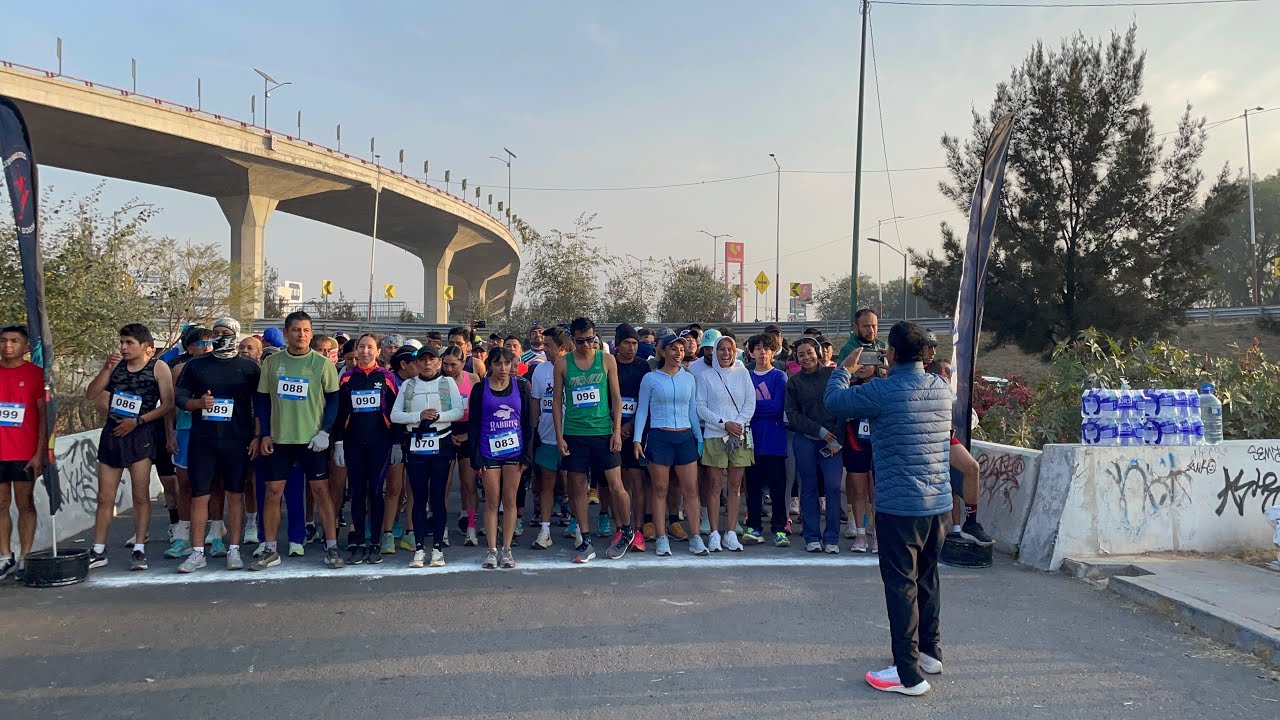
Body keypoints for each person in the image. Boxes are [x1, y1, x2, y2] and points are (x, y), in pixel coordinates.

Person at [824, 321, 953, 697]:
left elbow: (834, 402)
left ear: (891, 353)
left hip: (901, 505)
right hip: (939, 504)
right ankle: (930, 652)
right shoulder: (941, 387)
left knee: (901, 587)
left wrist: (844, 371)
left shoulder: (882, 390)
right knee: (927, 579)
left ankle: (908, 673)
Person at [252, 311, 343, 571]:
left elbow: (334, 400)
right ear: (286, 332)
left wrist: (325, 431)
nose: (300, 335)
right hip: (280, 440)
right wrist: (265, 433)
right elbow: (261, 399)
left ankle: (332, 545)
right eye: (295, 330)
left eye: (305, 330)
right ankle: (270, 549)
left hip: (312, 440)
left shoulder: (322, 364)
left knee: (321, 492)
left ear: (311, 333)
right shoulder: (272, 363)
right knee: (272, 493)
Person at [173, 319, 261, 572]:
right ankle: (197, 552)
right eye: (217, 333)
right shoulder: (196, 365)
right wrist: (197, 404)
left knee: (235, 494)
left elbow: (261, 405)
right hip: (204, 440)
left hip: (237, 439)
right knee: (200, 495)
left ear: (236, 336)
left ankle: (234, 549)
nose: (221, 337)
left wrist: (257, 435)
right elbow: (179, 396)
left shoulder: (249, 368)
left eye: (227, 333)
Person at [86, 323, 175, 570]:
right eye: (122, 343)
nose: (123, 348)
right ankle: (98, 549)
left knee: (140, 494)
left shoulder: (158, 367)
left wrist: (138, 421)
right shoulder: (115, 366)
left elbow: (168, 404)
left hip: (141, 433)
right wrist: (106, 369)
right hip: (113, 433)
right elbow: (91, 394)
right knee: (105, 496)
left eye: (129, 343)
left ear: (146, 347)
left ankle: (139, 548)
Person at [552, 317, 635, 563]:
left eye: (591, 339)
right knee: (577, 487)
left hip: (603, 432)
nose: (586, 345)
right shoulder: (562, 364)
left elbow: (617, 398)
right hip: (575, 433)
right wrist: (559, 436)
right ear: (572, 339)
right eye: (580, 341)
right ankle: (585, 539)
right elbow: (557, 401)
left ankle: (628, 530)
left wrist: (617, 430)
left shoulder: (606, 360)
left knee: (615, 485)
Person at [389, 346, 463, 568]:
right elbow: (395, 415)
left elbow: (458, 411)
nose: (427, 364)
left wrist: (437, 416)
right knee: (418, 498)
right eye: (423, 360)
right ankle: (419, 548)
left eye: (432, 360)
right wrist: (417, 416)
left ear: (438, 363)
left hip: (441, 443)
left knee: (438, 498)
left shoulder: (447, 383)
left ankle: (438, 548)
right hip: (416, 444)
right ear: (417, 364)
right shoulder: (408, 385)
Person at [633, 334, 704, 556]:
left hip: (684, 438)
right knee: (660, 489)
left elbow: (692, 410)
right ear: (663, 351)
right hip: (659, 437)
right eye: (672, 349)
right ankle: (662, 538)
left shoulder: (689, 378)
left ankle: (696, 537)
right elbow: (642, 410)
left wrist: (699, 438)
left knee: (690, 490)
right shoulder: (651, 379)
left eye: (681, 349)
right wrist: (637, 439)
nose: (677, 353)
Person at [332, 334, 400, 565]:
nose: (365, 351)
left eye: (370, 347)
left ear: (378, 351)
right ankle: (359, 542)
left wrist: (397, 443)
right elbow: (340, 413)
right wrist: (339, 443)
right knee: (358, 493)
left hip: (380, 442)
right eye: (361, 347)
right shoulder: (347, 378)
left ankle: (375, 543)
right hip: (353, 443)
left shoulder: (387, 377)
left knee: (375, 492)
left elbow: (395, 412)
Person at [468, 347, 535, 569]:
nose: (503, 368)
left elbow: (527, 423)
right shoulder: (479, 389)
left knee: (510, 501)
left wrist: (527, 455)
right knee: (492, 502)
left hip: (514, 452)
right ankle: (491, 550)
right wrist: (475, 457)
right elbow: (474, 424)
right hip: (488, 452)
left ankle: (506, 550)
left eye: (507, 364)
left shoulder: (522, 386)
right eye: (498, 364)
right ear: (490, 366)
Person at [696, 334, 755, 552]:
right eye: (721, 349)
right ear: (714, 351)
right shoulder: (706, 377)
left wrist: (737, 424)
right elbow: (701, 406)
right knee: (713, 486)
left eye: (730, 349)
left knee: (735, 486)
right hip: (714, 435)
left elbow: (750, 401)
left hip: (739, 435)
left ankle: (730, 532)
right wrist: (724, 423)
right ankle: (713, 532)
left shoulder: (743, 373)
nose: (726, 353)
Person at [784, 337, 842, 554]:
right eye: (801, 354)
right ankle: (812, 537)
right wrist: (819, 431)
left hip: (833, 443)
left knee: (833, 487)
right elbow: (793, 415)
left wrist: (836, 438)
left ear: (817, 353)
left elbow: (841, 407)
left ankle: (832, 537)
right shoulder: (794, 382)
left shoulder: (832, 376)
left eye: (809, 352)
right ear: (796, 358)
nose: (806, 357)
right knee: (808, 487)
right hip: (806, 440)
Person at [0, 325, 47, 579]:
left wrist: (39, 453)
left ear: (25, 346)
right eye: (4, 341)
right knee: (1, 504)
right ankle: (5, 556)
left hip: (24, 452)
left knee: (25, 504)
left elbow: (43, 418)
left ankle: (26, 556)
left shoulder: (35, 375)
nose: (8, 346)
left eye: (14, 341)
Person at [742, 333, 789, 547]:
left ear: (773, 351)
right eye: (758, 348)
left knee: (778, 487)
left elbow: (777, 408)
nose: (762, 352)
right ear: (751, 352)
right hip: (752, 441)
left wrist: (754, 409)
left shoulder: (780, 377)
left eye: (766, 348)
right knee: (753, 486)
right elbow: (744, 408)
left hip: (775, 440)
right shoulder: (746, 376)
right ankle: (754, 526)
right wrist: (760, 407)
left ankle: (780, 529)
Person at [528, 326, 570, 550]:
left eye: (549, 346)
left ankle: (576, 525)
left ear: (562, 347)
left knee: (574, 484)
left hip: (572, 435)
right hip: (546, 437)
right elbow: (536, 402)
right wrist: (534, 432)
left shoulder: (574, 368)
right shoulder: (539, 371)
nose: (544, 349)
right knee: (546, 484)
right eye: (543, 345)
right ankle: (545, 530)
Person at [613, 324, 651, 549]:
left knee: (637, 482)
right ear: (617, 345)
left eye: (635, 343)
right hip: (613, 432)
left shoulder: (643, 367)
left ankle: (638, 529)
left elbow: (644, 402)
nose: (631, 348)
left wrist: (630, 426)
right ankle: (621, 528)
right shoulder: (609, 365)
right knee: (619, 483)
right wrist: (617, 427)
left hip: (636, 431)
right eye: (627, 343)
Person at [382, 347, 421, 552]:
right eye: (416, 362)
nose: (420, 365)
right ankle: (387, 533)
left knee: (413, 487)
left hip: (418, 441)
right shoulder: (391, 381)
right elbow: (390, 416)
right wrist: (396, 442)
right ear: (404, 365)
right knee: (394, 488)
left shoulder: (421, 383)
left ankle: (410, 532)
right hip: (396, 442)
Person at [441, 344, 479, 546]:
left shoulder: (472, 379)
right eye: (445, 364)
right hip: (446, 432)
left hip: (467, 433)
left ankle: (471, 527)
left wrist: (467, 435)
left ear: (463, 363)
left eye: (453, 365)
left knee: (469, 484)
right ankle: (442, 528)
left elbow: (478, 412)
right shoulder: (439, 381)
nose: (448, 369)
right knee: (444, 484)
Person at [843, 356, 883, 553]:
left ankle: (876, 534)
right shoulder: (850, 386)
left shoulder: (884, 386)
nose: (862, 367)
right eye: (860, 362)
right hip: (854, 444)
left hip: (878, 446)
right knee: (858, 492)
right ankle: (860, 534)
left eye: (868, 363)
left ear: (877, 366)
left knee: (876, 493)